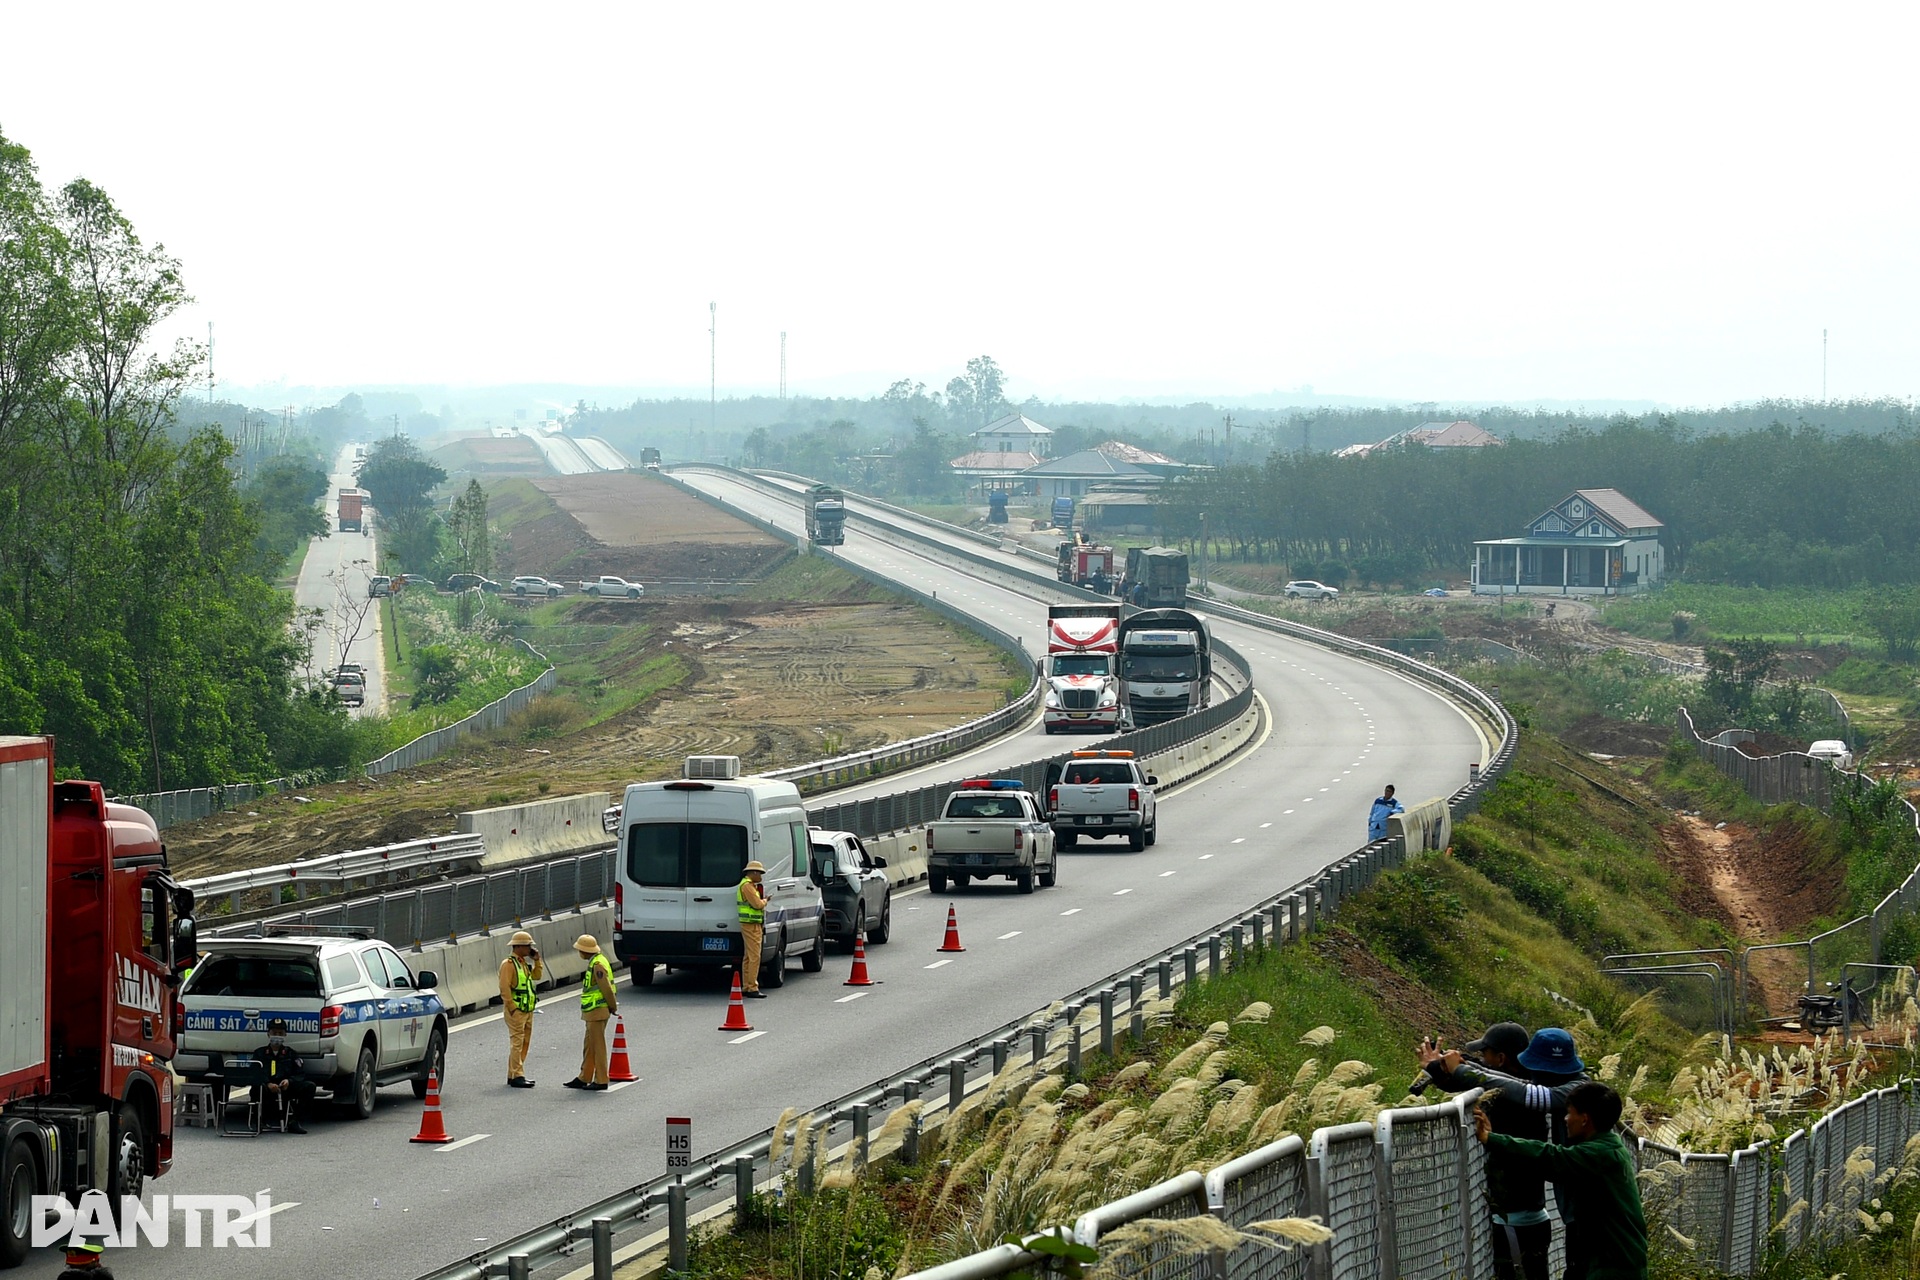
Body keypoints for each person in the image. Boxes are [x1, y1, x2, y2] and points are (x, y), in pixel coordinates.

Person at [1475, 1082, 1648, 1280]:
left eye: (1569, 1113)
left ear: (1584, 1119)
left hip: (1613, 1268)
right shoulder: (1608, 1146)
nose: (1566, 1119)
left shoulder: (1599, 1154)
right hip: (1615, 1261)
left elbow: (1549, 1158)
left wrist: (1492, 1139)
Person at [1419, 1023, 1552, 1280]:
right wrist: (1445, 1067)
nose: (1483, 1059)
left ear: (1501, 1058)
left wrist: (1440, 1067)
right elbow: (1474, 1079)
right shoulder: (1527, 1090)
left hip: (1515, 1222)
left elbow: (1479, 1080)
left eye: (1487, 1053)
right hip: (1526, 1218)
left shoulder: (1514, 1095)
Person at [565, 934, 618, 1091]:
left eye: (580, 949)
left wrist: (613, 1006)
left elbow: (606, 988)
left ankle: (601, 1079)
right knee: (589, 1045)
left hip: (597, 1010)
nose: (579, 952)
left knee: (597, 1046)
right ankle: (584, 1077)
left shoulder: (597, 965)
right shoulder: (596, 961)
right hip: (592, 1011)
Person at [251, 1017, 317, 1133]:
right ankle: (259, 1120)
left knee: (309, 1086)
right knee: (257, 1088)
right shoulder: (259, 1053)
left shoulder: (291, 1053)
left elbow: (300, 1074)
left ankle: (294, 1121)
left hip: (285, 1087)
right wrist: (268, 1083)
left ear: (285, 1035)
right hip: (267, 1088)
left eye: (280, 1033)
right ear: (268, 1034)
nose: (277, 1035)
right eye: (274, 1033)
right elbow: (255, 1072)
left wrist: (289, 1081)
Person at [499, 930, 544, 1088]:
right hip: (517, 1010)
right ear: (518, 946)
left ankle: (513, 1073)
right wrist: (511, 1007)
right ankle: (518, 1075)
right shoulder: (508, 965)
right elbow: (504, 987)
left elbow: (537, 976)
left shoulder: (523, 964)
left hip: (527, 1009)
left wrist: (537, 960)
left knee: (524, 1041)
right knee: (517, 1042)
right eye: (527, 946)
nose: (530, 949)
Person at [737, 860, 769, 999]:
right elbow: (757, 905)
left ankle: (746, 985)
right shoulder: (748, 887)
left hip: (749, 923)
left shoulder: (748, 885)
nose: (761, 876)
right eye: (760, 873)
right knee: (755, 956)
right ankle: (752, 987)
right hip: (751, 924)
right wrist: (765, 901)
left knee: (748, 957)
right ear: (754, 873)